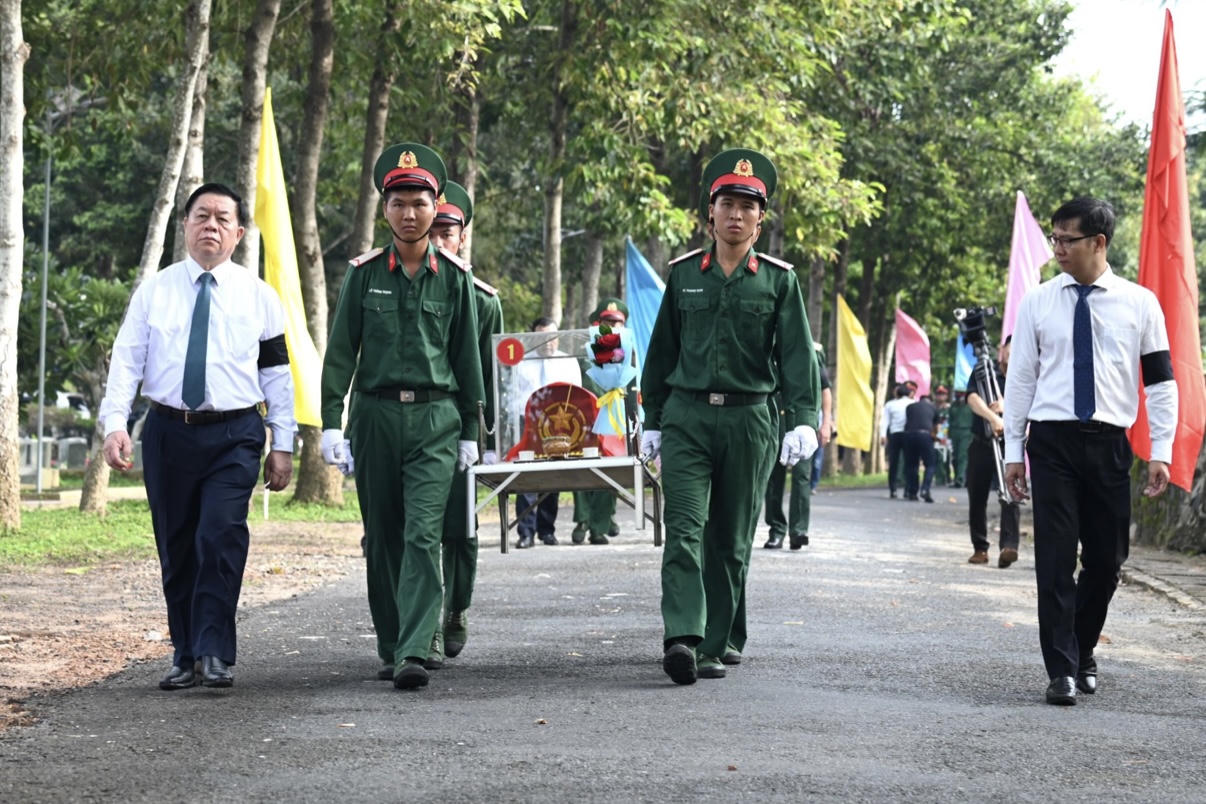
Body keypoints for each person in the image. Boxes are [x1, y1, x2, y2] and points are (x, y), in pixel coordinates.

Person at [99, 182, 296, 691]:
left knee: (220, 535)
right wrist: (115, 423)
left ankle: (214, 652)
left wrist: (283, 443)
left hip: (235, 435)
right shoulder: (154, 291)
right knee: (178, 543)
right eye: (201, 216)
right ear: (184, 226)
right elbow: (126, 360)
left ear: (238, 233)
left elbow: (276, 375)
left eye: (221, 218)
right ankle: (184, 653)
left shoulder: (260, 297)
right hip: (168, 431)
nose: (210, 224)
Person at [641, 148, 820, 685]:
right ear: (710, 213)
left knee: (731, 537)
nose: (736, 214)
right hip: (688, 418)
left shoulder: (778, 281)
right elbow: (662, 353)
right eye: (727, 204)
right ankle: (683, 638)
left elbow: (795, 356)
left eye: (747, 205)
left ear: (760, 220)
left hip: (749, 421)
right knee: (684, 527)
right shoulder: (682, 277)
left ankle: (716, 642)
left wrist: (803, 419)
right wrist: (652, 418)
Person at [320, 143, 484, 691]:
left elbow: (467, 361)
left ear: (436, 206)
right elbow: (341, 352)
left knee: (421, 533)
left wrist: (469, 429)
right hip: (375, 418)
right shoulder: (364, 275)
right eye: (398, 202)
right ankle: (391, 644)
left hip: (435, 420)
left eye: (419, 202)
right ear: (384, 209)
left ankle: (416, 648)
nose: (409, 212)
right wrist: (328, 422)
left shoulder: (455, 278)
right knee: (383, 535)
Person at [1004, 197, 1177, 706]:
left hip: (1109, 444)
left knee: (1106, 561)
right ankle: (1060, 667)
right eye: (1054, 237)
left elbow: (1162, 383)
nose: (1057, 248)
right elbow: (1021, 381)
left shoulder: (1140, 303)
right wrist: (1015, 449)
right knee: (1055, 558)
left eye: (1067, 239)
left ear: (1098, 243)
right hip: (1053, 441)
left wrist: (1161, 450)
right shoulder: (1038, 301)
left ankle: (1081, 648)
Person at [430, 180, 503, 663]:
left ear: (462, 236)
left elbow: (494, 374)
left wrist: (492, 437)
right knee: (415, 530)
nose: (437, 240)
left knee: (459, 527)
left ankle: (455, 608)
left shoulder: (482, 299)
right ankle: (421, 629)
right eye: (431, 230)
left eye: (447, 231)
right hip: (410, 421)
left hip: (460, 429)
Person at [513, 316, 582, 548]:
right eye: (541, 338)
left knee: (552, 477)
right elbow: (512, 398)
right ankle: (525, 532)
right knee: (527, 477)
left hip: (558, 425)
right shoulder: (521, 362)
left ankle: (546, 530)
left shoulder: (568, 361)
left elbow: (577, 393)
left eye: (551, 338)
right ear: (533, 337)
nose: (547, 343)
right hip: (529, 423)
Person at [572, 298, 632, 546]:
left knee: (610, 470)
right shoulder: (586, 350)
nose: (614, 327)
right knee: (582, 467)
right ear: (598, 324)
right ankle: (583, 520)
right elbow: (585, 381)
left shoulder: (626, 351)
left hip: (614, 417)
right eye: (609, 322)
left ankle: (600, 525)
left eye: (618, 323)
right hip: (588, 414)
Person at [763, 340, 832, 549]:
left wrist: (826, 422)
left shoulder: (809, 349)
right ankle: (776, 530)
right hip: (775, 419)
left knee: (802, 476)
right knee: (774, 478)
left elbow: (824, 388)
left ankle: (799, 531)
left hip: (801, 420)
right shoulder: (766, 344)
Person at [965, 337, 1020, 567]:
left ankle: (1009, 546)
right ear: (1001, 349)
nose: (1014, 351)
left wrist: (1007, 407)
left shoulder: (1024, 376)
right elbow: (972, 398)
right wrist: (993, 417)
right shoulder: (984, 372)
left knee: (1011, 494)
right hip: (982, 443)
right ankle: (980, 548)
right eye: (1011, 346)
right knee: (977, 495)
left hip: (1010, 445)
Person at [902, 393, 938, 502]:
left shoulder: (910, 407)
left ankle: (912, 492)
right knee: (930, 464)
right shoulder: (933, 408)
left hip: (909, 435)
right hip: (925, 435)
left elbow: (908, 420)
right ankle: (925, 489)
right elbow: (935, 427)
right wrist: (935, 438)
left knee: (912, 465)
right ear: (930, 400)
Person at [880, 384, 911, 498]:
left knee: (893, 463)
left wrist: (883, 435)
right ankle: (908, 489)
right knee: (909, 462)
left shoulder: (890, 404)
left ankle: (893, 489)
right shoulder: (912, 403)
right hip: (908, 434)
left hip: (895, 434)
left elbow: (885, 421)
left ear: (897, 392)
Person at [947, 389, 973, 487]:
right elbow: (950, 420)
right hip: (954, 432)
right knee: (955, 457)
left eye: (961, 393)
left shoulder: (970, 405)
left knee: (963, 456)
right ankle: (958, 477)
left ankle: (960, 479)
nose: (959, 396)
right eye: (958, 393)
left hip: (966, 432)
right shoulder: (953, 405)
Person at [931, 385, 951, 486]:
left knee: (948, 457)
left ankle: (948, 477)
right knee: (938, 457)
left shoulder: (949, 408)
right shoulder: (932, 407)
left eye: (942, 394)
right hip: (935, 435)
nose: (940, 396)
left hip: (948, 435)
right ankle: (940, 479)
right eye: (939, 394)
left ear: (946, 396)